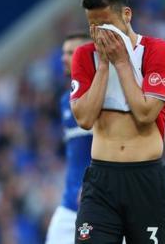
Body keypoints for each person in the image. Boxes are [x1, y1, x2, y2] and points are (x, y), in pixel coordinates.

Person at [69, 0, 165, 243]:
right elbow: (83, 118)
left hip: (146, 180)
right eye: (93, 26)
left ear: (126, 14)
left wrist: (121, 63)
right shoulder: (85, 56)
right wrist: (103, 66)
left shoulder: (157, 50)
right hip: (101, 181)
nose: (100, 33)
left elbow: (146, 113)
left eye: (105, 24)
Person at [45, 33, 92, 244]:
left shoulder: (103, 98)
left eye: (71, 53)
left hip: (98, 206)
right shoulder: (65, 100)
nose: (64, 58)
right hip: (68, 206)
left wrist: (93, 184)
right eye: (64, 52)